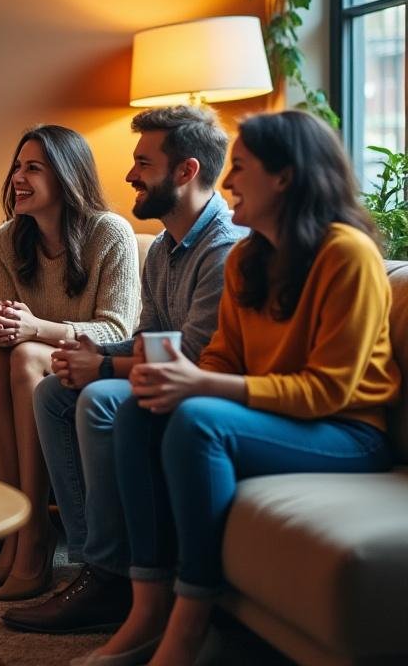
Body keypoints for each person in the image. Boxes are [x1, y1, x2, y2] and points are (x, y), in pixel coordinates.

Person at [81, 110, 399, 666]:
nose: (227, 182)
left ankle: (191, 624)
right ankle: (146, 609)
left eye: (242, 168)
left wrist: (201, 385)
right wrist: (176, 376)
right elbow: (225, 354)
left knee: (199, 422)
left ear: (286, 177)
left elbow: (327, 391)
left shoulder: (346, 255)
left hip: (349, 431)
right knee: (138, 410)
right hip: (283, 420)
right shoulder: (250, 258)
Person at [3, 106, 243, 635]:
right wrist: (92, 358)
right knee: (53, 393)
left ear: (186, 171)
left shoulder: (225, 249)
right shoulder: (163, 247)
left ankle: (108, 574)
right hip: (170, 375)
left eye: (142, 162)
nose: (130, 175)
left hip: (210, 391)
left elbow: (198, 356)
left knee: (98, 396)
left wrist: (102, 363)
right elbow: (147, 336)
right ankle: (95, 563)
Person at [0, 124, 140, 601]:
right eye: (16, 167)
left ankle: (33, 537)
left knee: (27, 355)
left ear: (67, 175)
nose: (17, 179)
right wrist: (4, 326)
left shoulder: (109, 233)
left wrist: (37, 331)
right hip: (29, 357)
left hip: (93, 363)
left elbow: (118, 332)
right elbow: (9, 327)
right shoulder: (7, 240)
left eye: (33, 168)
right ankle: (17, 528)